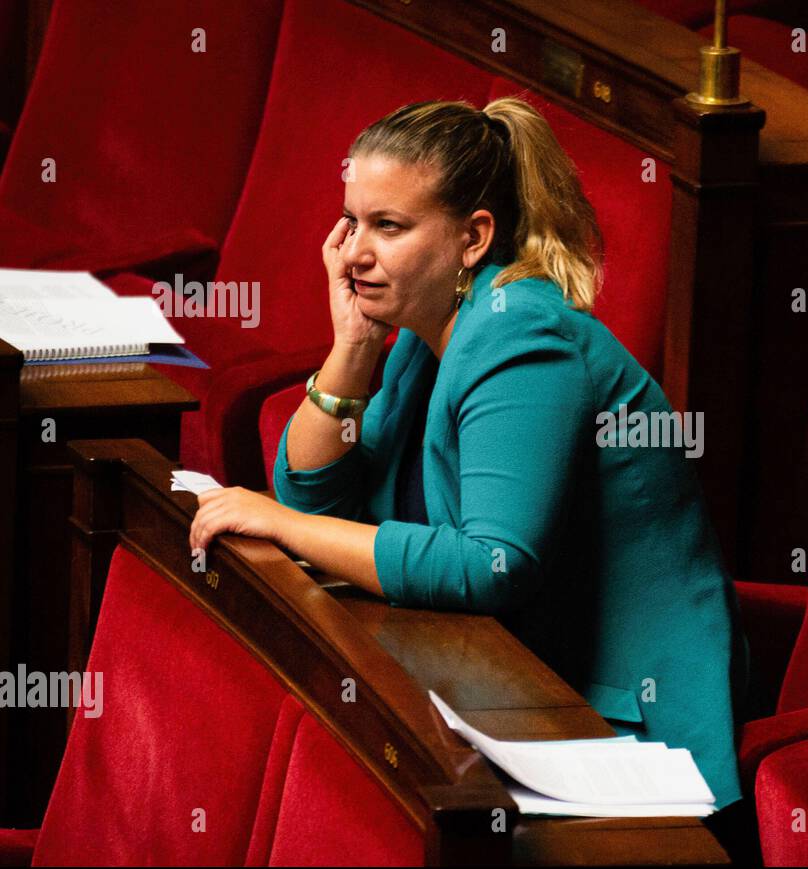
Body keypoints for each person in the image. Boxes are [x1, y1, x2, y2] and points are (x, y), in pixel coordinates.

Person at [187, 98, 749, 817]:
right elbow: (315, 501)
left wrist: (278, 526)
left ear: (473, 237)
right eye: (352, 221)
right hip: (516, 685)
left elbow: (490, 564)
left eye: (389, 226)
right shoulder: (426, 335)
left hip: (625, 729)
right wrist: (353, 347)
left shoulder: (519, 337)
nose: (356, 252)